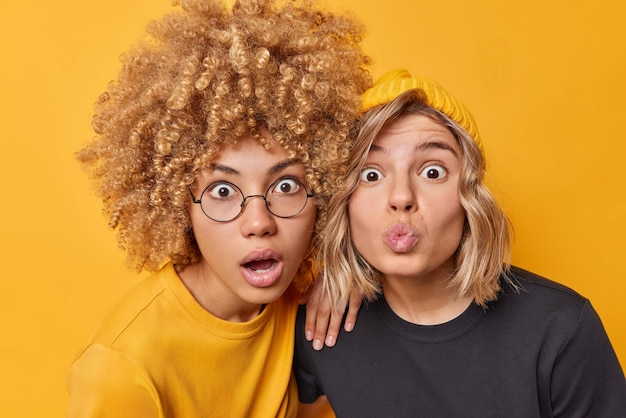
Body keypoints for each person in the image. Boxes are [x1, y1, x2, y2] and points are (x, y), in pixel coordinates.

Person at [65, 0, 371, 416]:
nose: (260, 223)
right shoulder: (123, 368)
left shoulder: (309, 296)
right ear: (178, 204)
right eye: (223, 191)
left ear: (324, 186)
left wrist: (353, 268)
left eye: (285, 185)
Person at [295, 68, 626, 417]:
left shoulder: (560, 329)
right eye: (371, 174)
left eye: (432, 171)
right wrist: (326, 273)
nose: (402, 197)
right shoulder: (322, 325)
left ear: (470, 200)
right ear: (344, 201)